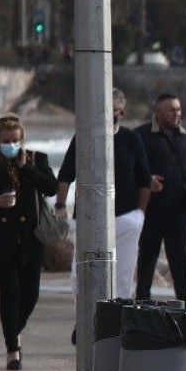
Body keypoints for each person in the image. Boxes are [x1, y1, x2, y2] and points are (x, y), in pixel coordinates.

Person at [57, 88, 153, 305]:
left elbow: (145, 180)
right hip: (87, 218)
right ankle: (84, 322)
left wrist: (140, 215)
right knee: (79, 275)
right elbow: (65, 174)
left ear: (121, 113)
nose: (105, 114)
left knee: (122, 278)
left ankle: (117, 327)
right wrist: (60, 204)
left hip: (126, 218)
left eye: (111, 110)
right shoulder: (83, 136)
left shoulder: (131, 139)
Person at [0, 115, 57, 370]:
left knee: (30, 295)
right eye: (6, 141)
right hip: (1, 240)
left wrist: (26, 168)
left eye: (16, 140)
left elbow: (51, 187)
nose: (11, 144)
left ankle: (13, 332)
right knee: (10, 291)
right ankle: (13, 349)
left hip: (31, 240)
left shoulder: (37, 159)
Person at [134, 93, 186, 306]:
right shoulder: (141, 135)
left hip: (181, 207)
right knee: (148, 253)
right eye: (171, 110)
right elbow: (131, 168)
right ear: (158, 114)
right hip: (152, 207)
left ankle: (185, 298)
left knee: (180, 256)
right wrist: (147, 179)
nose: (176, 114)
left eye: (178, 110)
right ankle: (142, 298)